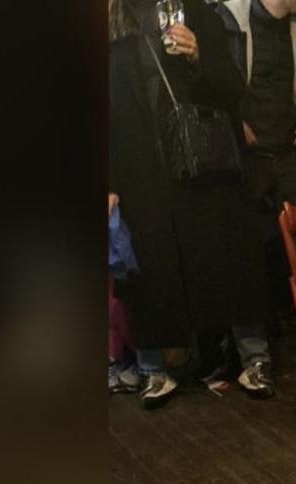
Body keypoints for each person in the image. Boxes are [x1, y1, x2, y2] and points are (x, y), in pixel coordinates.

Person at [108, 0, 269, 407]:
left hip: (204, 164)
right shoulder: (115, 25)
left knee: (227, 259)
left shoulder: (197, 14)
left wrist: (198, 55)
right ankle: (153, 369)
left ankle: (255, 358)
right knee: (149, 268)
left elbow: (232, 88)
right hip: (141, 173)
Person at [210, 0, 296, 399]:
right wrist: (234, 121)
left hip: (290, 154)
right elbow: (215, 84)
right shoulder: (230, 22)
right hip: (248, 159)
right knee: (246, 252)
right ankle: (252, 355)